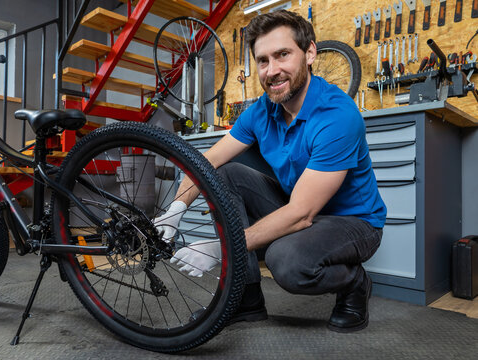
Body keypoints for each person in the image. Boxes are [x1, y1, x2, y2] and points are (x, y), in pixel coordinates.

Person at [154, 10, 386, 333]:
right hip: (301, 208)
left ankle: (355, 283)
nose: (272, 71)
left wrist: (222, 248)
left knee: (287, 262)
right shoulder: (261, 111)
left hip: (354, 222)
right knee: (225, 175)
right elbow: (208, 161)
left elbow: (302, 214)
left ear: (309, 54)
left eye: (282, 55)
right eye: (263, 60)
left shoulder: (337, 116)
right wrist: (175, 209)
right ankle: (246, 297)